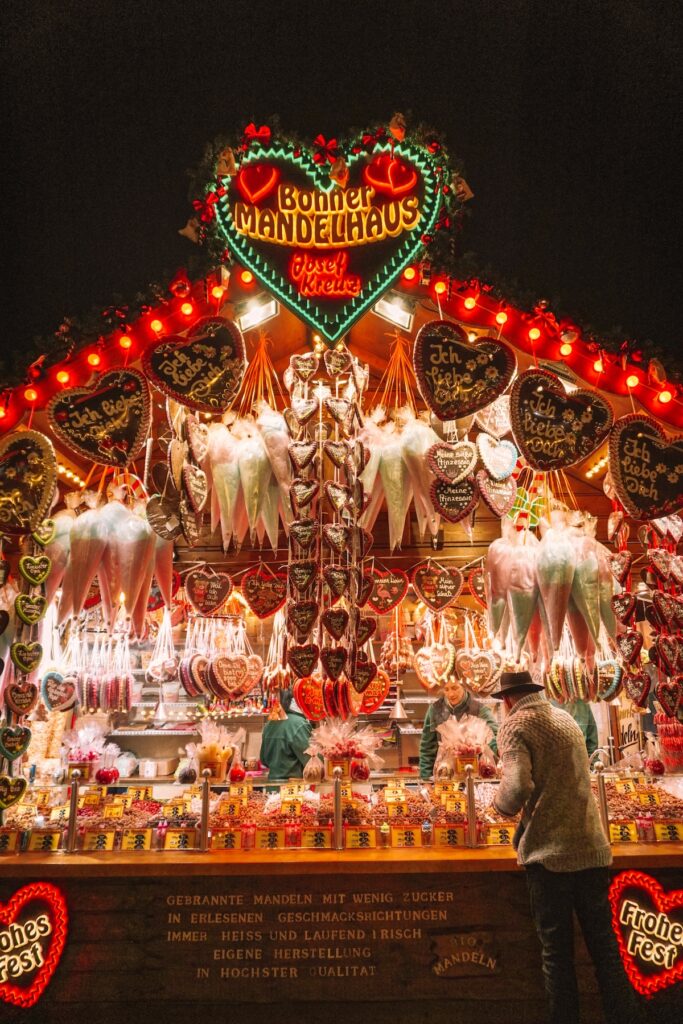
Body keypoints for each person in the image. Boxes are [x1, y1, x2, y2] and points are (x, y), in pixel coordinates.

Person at [492, 670, 644, 1024]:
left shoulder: (516, 726)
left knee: (557, 958)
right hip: (591, 850)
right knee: (606, 951)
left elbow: (516, 787)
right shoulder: (564, 719)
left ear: (509, 700)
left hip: (550, 857)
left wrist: (498, 808)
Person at [419, 675, 498, 780]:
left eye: (455, 688)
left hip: (476, 775)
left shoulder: (480, 710)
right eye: (446, 689)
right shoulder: (435, 710)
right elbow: (427, 747)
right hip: (445, 775)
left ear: (464, 686)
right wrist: (426, 779)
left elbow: (496, 739)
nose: (451, 694)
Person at [259, 688, 312, 781]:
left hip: (271, 788)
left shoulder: (269, 724)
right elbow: (312, 762)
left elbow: (263, 759)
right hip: (293, 789)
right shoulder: (299, 724)